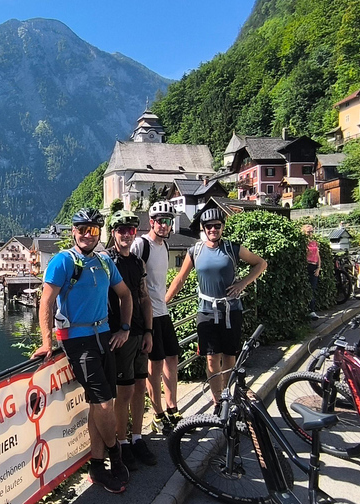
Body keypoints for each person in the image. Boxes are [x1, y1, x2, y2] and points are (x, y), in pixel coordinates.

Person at [33, 207, 133, 493]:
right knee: (103, 404)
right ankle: (116, 453)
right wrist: (47, 342)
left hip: (104, 336)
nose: (87, 235)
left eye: (93, 230)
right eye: (81, 229)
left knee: (99, 405)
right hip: (77, 341)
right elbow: (47, 303)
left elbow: (126, 295)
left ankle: (98, 466)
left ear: (99, 233)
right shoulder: (63, 261)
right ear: (73, 231)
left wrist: (124, 328)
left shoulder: (103, 262)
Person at [166, 208, 267, 411]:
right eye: (209, 226)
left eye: (217, 226)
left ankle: (228, 397)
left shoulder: (232, 248)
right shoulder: (195, 251)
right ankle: (217, 400)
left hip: (231, 310)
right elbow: (180, 278)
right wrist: (163, 301)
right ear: (204, 228)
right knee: (211, 358)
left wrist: (242, 284)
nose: (213, 229)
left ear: (222, 227)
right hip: (206, 311)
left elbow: (261, 264)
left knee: (229, 357)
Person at [105, 210, 157, 469]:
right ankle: (122, 442)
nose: (126, 234)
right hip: (119, 335)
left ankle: (137, 438)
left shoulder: (138, 262)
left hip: (138, 334)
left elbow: (144, 297)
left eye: (131, 230)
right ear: (112, 232)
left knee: (139, 389)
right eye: (121, 230)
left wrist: (149, 331)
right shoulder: (106, 260)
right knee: (123, 392)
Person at [130, 201, 180, 435]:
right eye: (160, 221)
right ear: (151, 222)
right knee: (155, 364)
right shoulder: (141, 245)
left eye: (168, 221)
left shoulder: (165, 245)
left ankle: (172, 407)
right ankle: (157, 413)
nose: (164, 225)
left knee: (172, 358)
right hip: (148, 315)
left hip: (164, 311)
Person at [301, 225, 321, 320]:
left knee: (312, 289)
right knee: (306, 288)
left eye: (311, 231)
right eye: (308, 232)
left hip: (314, 266)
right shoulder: (303, 243)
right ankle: (307, 310)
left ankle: (312, 311)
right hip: (306, 265)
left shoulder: (314, 243)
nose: (310, 234)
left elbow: (318, 255)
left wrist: (318, 268)